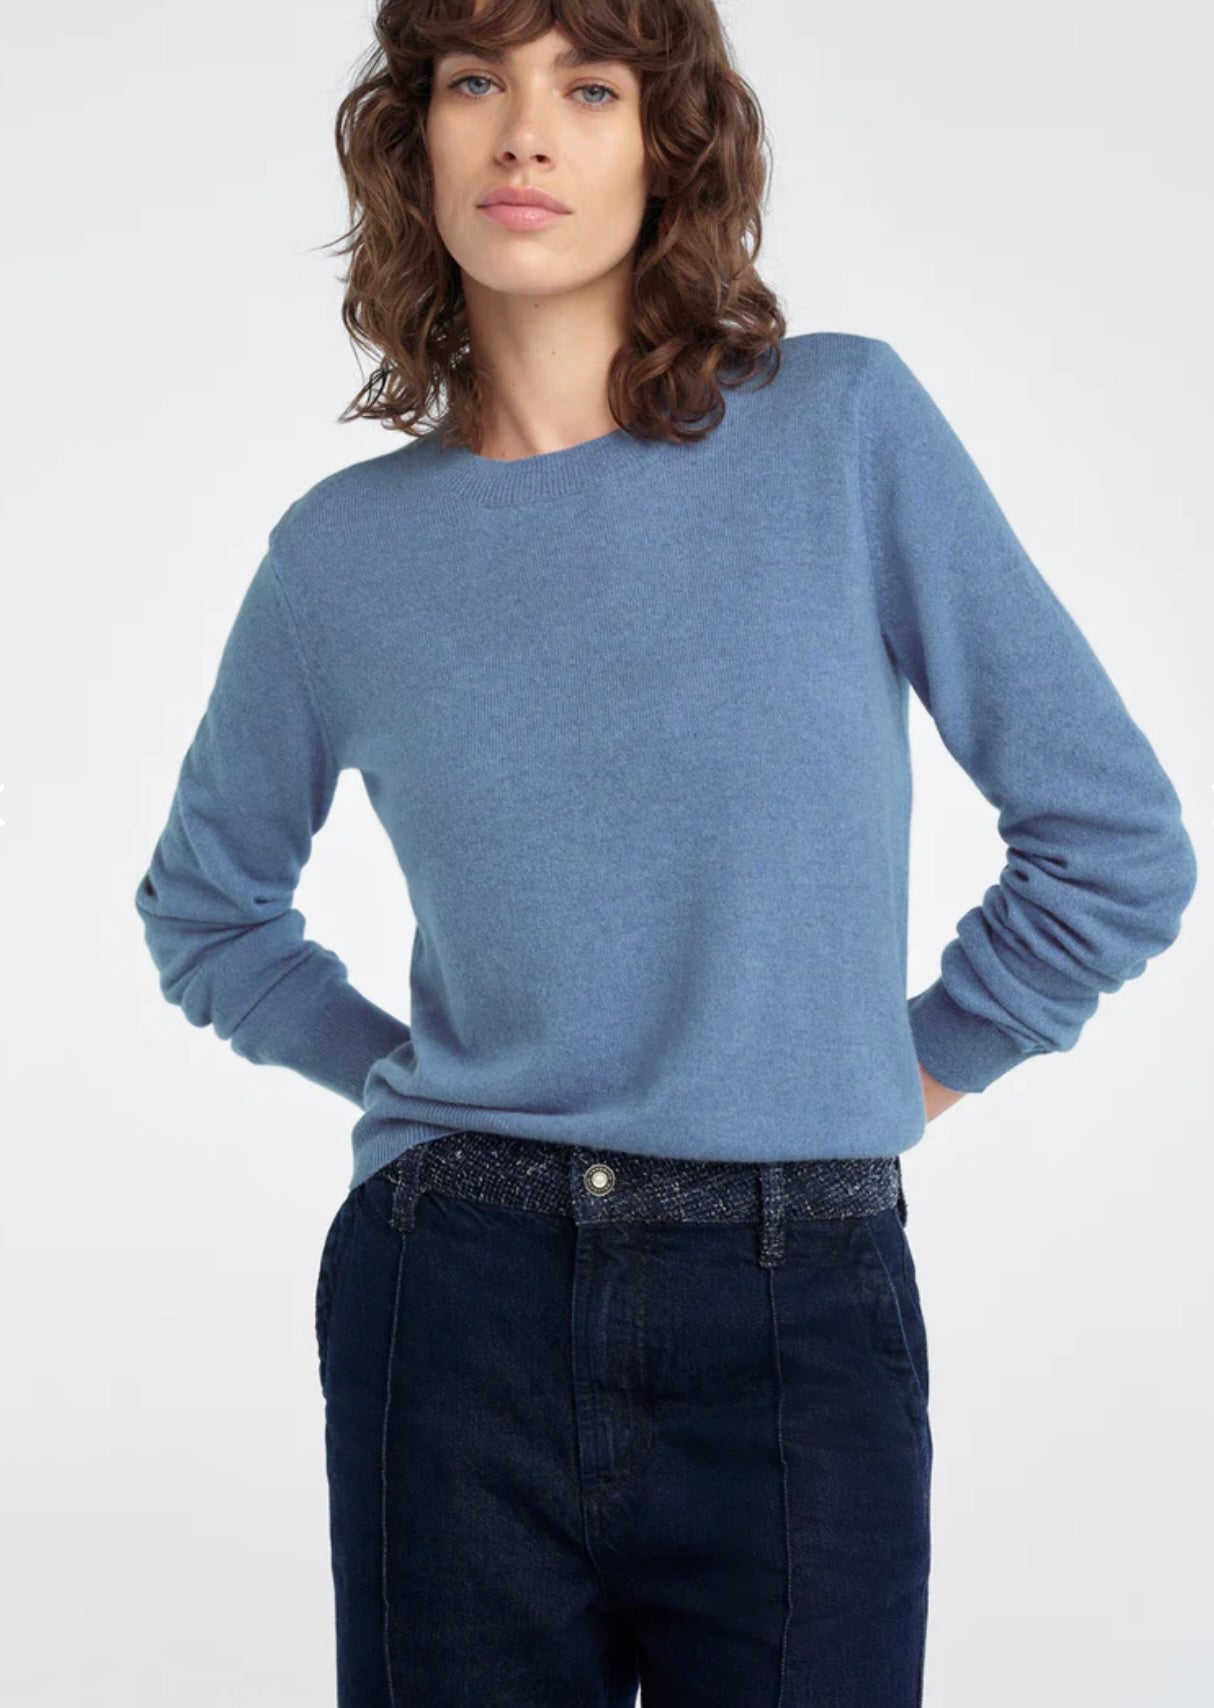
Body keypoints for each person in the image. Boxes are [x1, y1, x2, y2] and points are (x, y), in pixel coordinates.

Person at [132, 2, 1198, 1703]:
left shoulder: (840, 428)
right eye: (473, 82)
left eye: (588, 86)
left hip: (794, 1305)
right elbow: (207, 914)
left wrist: (907, 1067)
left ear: (668, 147)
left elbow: (1112, 842)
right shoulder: (342, 559)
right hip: (452, 1305)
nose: (523, 130)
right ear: (415, 143)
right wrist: (426, 1091)